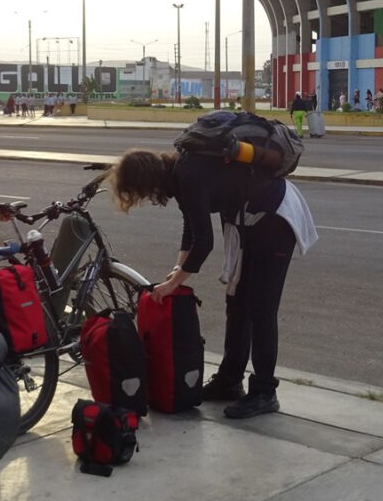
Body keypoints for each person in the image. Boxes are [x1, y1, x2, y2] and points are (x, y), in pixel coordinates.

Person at [107, 149, 317, 419]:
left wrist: (175, 283)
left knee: (261, 309)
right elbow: (191, 228)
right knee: (238, 303)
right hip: (248, 221)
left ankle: (265, 392)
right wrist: (176, 272)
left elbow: (205, 242)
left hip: (275, 218)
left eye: (142, 191)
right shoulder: (179, 174)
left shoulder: (188, 175)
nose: (146, 197)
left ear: (147, 180)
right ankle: (230, 381)